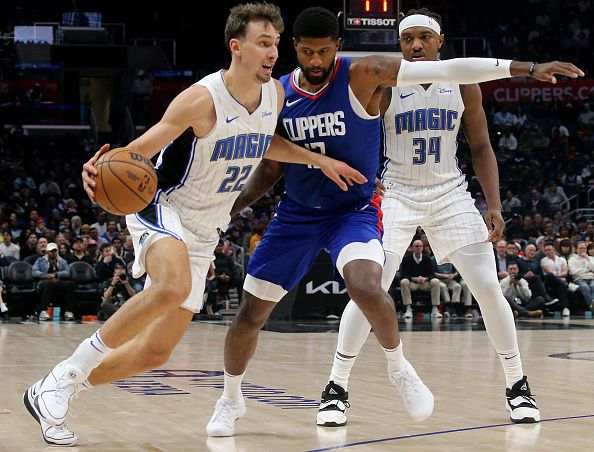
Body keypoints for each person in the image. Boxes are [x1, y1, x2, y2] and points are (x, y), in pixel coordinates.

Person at [205, 6, 581, 436]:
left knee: (487, 287)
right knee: (366, 290)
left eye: (424, 37)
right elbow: (322, 142)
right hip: (394, 192)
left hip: (447, 192)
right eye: (408, 39)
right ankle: (335, 386)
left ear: (440, 41)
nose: (416, 45)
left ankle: (517, 384)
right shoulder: (376, 80)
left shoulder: (457, 83)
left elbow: (479, 143)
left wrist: (493, 202)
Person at [23, 3, 365, 447]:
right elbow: (140, 150)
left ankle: (56, 388)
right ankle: (67, 371)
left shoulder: (275, 96)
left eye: (276, 44)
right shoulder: (201, 100)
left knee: (155, 351)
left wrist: (319, 159)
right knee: (171, 286)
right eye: (264, 43)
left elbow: (267, 142)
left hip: (207, 228)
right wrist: (102, 166)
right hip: (164, 204)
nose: (273, 52)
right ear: (236, 47)